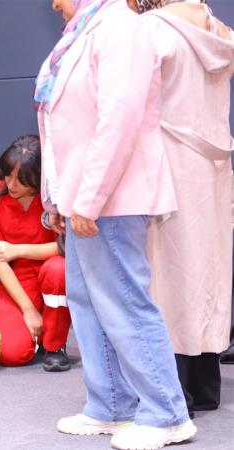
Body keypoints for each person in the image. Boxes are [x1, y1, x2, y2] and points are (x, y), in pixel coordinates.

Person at [36, 1, 194, 448]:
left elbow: (118, 121)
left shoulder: (120, 27)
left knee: (124, 301)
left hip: (113, 198)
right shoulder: (83, 31)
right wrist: (58, 199)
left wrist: (89, 199)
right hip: (87, 197)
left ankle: (166, 414)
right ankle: (111, 407)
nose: (52, 3)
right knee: (88, 301)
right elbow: (61, 125)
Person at [134, 0, 234, 419]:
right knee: (208, 269)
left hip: (169, 164)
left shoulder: (152, 32)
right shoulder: (220, 32)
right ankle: (206, 386)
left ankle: (175, 391)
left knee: (168, 277)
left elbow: (135, 107)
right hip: (215, 164)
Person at [0, 135, 70, 372]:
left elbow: (67, 248)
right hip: (18, 279)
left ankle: (54, 345)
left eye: (21, 180)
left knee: (59, 268)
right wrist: (28, 310)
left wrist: (19, 250)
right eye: (8, 175)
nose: (11, 185)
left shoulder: (57, 196)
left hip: (53, 271)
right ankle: (14, 324)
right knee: (11, 353)